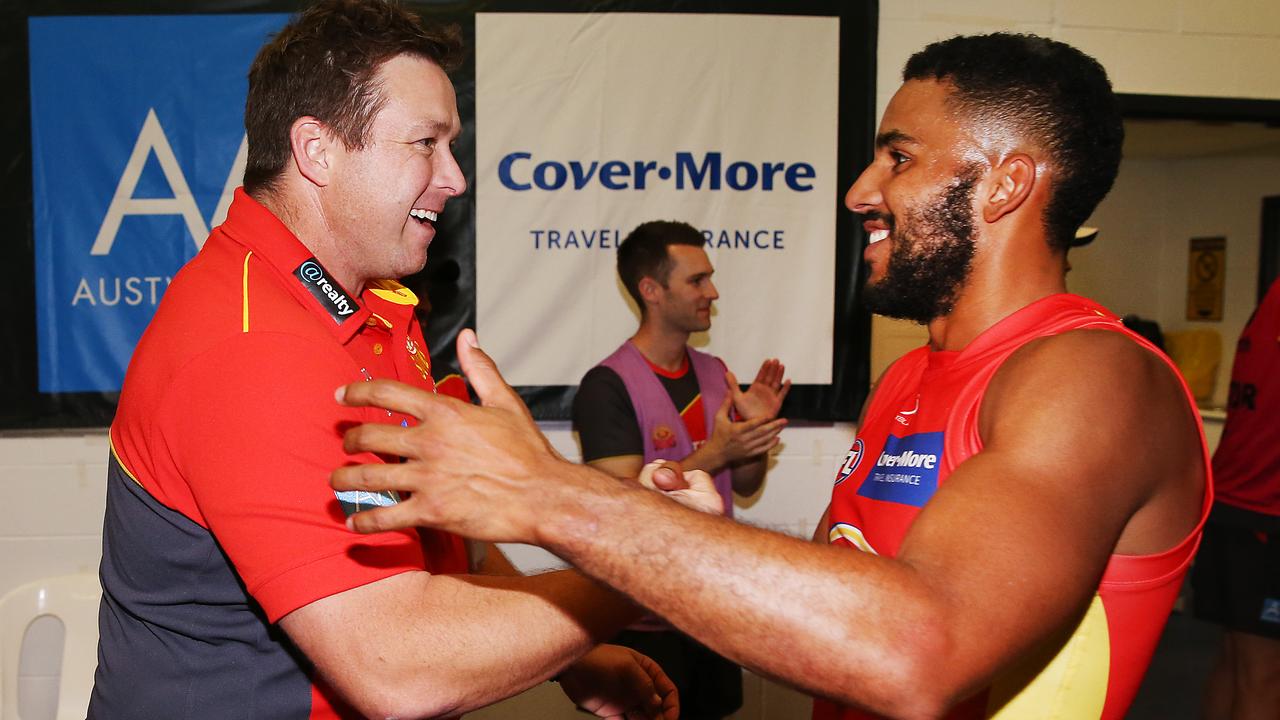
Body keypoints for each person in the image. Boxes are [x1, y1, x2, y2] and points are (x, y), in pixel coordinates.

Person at [329, 33, 1211, 719]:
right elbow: (837, 604)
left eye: (898, 158)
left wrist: (551, 497)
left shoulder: (1093, 375)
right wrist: (684, 526)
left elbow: (920, 652)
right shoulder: (909, 380)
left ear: (1006, 184)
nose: (861, 189)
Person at [89, 2, 678, 719]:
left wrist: (570, 649)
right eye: (426, 143)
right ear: (318, 151)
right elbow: (395, 669)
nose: (454, 177)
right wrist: (648, 568)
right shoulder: (253, 344)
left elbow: (436, 536)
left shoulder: (366, 308)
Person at [574, 220, 789, 718]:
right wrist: (715, 452)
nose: (712, 292)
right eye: (697, 280)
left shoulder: (716, 373)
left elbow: (746, 485)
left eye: (709, 277)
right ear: (651, 290)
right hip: (640, 621)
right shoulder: (606, 385)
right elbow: (618, 508)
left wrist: (753, 438)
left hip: (712, 613)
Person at [1193, 276, 1280, 720]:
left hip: (1230, 508)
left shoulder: (1271, 296)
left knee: (1236, 659)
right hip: (1264, 518)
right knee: (1264, 675)